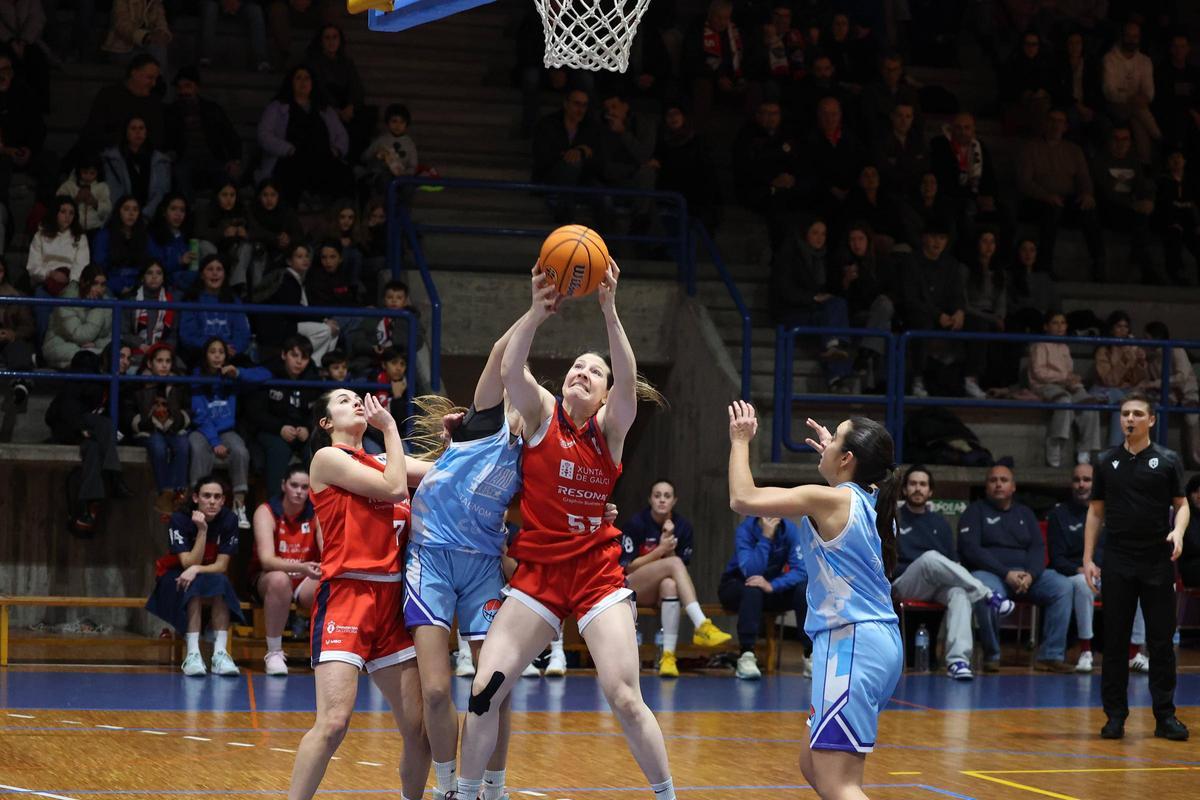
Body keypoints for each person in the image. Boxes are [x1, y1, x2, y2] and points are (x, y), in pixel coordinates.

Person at [454, 261, 678, 800]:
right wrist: (534, 314)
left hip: (597, 573)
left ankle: (668, 795)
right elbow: (510, 372)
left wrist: (609, 310)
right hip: (540, 574)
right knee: (485, 690)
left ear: (604, 396)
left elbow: (629, 379)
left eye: (593, 372)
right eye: (576, 366)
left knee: (624, 695)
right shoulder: (542, 413)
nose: (582, 372)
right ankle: (465, 793)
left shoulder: (611, 431)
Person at [727, 404, 902, 799]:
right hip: (874, 642)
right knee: (812, 764)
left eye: (834, 437)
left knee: (839, 783)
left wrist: (740, 440)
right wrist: (835, 460)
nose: (825, 439)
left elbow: (743, 498)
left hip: (851, 645)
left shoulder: (832, 501)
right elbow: (855, 484)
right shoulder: (873, 498)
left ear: (847, 459)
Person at [402, 317, 533, 799]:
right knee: (437, 690)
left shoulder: (532, 458)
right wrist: (537, 309)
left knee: (495, 686)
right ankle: (448, 786)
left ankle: (494, 789)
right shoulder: (481, 423)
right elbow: (501, 349)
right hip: (431, 560)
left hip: (481, 568)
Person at [286, 388, 429, 800]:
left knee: (418, 732)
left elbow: (443, 473)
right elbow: (395, 488)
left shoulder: (384, 460)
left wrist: (478, 439)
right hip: (347, 595)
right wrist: (389, 429)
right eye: (344, 399)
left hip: (391, 604)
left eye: (356, 397)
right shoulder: (328, 459)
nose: (356, 401)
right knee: (333, 723)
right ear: (326, 423)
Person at [1084, 392, 1189, 742]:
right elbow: (1096, 511)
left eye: (1138, 414)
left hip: (1157, 560)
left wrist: (1178, 530)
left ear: (1151, 420)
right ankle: (1115, 716)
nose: (1130, 419)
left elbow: (1182, 504)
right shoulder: (1106, 461)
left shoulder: (1168, 459)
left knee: (1160, 642)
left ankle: (1165, 716)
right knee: (1114, 641)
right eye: (1125, 413)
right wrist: (1088, 559)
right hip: (1118, 559)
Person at [891, 465, 1014, 680]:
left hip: (935, 585)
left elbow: (952, 561)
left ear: (930, 492)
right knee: (929, 557)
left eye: (923, 484)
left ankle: (958, 661)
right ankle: (987, 594)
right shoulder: (894, 519)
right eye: (912, 484)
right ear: (904, 490)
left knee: (959, 593)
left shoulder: (940, 523)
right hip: (904, 583)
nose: (917, 489)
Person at [958, 463, 1074, 673]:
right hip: (991, 574)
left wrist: (1031, 574)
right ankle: (992, 655)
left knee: (1063, 586)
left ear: (1013, 487)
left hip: (1026, 576)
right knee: (986, 591)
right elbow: (971, 550)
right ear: (986, 487)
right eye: (993, 480)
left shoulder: (1025, 513)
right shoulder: (974, 511)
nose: (998, 484)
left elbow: (1038, 548)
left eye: (1004, 480)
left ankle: (1050, 655)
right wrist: (1006, 573)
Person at [620, 479, 731, 677]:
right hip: (631, 587)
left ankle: (668, 658)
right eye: (657, 495)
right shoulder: (636, 523)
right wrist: (661, 550)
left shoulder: (682, 527)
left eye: (667, 496)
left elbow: (676, 570)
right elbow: (628, 567)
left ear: (674, 501)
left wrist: (669, 549)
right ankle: (701, 625)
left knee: (670, 585)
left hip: (659, 590)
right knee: (674, 564)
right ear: (650, 500)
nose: (662, 500)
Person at [1047, 462, 1148, 674]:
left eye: (1087, 480)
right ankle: (1086, 651)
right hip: (1075, 573)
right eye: (1077, 480)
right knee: (1085, 585)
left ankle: (1133, 653)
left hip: (1107, 572)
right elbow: (1057, 558)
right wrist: (1080, 569)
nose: (1081, 484)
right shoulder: (1059, 515)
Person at [145, 476, 244, 676]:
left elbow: (222, 565)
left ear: (224, 501)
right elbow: (187, 563)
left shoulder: (229, 520)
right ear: (196, 498)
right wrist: (202, 531)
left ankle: (220, 654)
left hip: (206, 574)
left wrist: (197, 570)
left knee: (221, 582)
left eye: (217, 497)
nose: (212, 501)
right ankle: (192, 654)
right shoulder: (179, 519)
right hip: (174, 575)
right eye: (207, 496)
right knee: (195, 586)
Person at [1016, 108, 1105, 281]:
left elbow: (1084, 177)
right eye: (1052, 120)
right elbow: (1024, 182)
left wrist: (1087, 194)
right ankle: (1045, 264)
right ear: (1045, 124)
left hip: (1067, 200)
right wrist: (1046, 195)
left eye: (1060, 122)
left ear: (1065, 127)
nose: (1055, 125)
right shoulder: (1030, 148)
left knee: (1089, 210)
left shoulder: (1074, 150)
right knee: (1051, 211)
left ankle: (1099, 263)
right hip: (1038, 201)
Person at [189, 337, 267, 529]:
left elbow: (265, 374)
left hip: (226, 431)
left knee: (241, 451)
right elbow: (200, 415)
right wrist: (215, 442)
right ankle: (197, 506)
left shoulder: (231, 376)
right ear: (205, 355)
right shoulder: (196, 376)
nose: (217, 356)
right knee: (198, 448)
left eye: (221, 352)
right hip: (202, 430)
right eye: (212, 352)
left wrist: (238, 372)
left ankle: (238, 505)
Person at [717, 515, 807, 680]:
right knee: (753, 588)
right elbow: (751, 572)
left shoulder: (790, 530)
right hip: (736, 584)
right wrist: (766, 537)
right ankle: (747, 655)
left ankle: (810, 654)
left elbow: (801, 571)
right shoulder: (746, 529)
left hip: (770, 585)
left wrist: (773, 585)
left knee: (803, 589)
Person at [251, 465, 321, 676]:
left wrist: (323, 568)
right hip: (269, 578)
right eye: (294, 485)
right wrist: (301, 567)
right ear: (283, 485)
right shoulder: (267, 511)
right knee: (280, 580)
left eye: (304, 487)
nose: (299, 491)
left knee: (330, 581)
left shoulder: (316, 512)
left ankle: (326, 650)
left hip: (305, 579)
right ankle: (273, 653)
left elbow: (327, 551)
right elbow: (267, 561)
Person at [255, 65, 353, 204]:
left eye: (307, 78)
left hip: (322, 157)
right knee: (290, 176)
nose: (303, 82)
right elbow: (264, 134)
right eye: (298, 78)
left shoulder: (324, 108)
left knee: (344, 175)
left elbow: (341, 135)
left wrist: (336, 150)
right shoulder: (277, 107)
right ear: (291, 82)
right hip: (290, 158)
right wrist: (288, 149)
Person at [897, 223, 967, 397]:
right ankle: (918, 378)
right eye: (934, 237)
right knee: (921, 323)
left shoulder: (951, 264)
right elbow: (910, 299)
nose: (937, 242)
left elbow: (957, 294)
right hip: (916, 315)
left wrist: (959, 311)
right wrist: (938, 315)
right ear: (924, 238)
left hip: (944, 315)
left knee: (977, 324)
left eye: (942, 238)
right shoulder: (911, 262)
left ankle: (969, 379)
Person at [246, 335, 321, 491]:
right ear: (283, 354)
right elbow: (256, 413)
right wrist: (280, 427)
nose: (299, 362)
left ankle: (317, 506)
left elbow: (317, 412)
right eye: (294, 355)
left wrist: (308, 428)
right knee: (279, 449)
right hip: (271, 430)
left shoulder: (314, 379)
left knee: (316, 449)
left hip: (302, 432)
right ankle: (275, 506)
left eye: (304, 357)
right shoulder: (268, 375)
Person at [1029, 310, 1101, 467]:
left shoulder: (1064, 347)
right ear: (1046, 326)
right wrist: (1064, 378)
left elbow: (1067, 372)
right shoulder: (1039, 345)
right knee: (1064, 401)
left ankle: (1084, 451)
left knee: (1090, 403)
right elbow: (1039, 373)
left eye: (1063, 323)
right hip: (1045, 386)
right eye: (1055, 323)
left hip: (1066, 385)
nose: (1060, 327)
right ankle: (1054, 448)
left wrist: (1073, 379)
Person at [129, 341, 191, 515]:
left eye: (168, 361)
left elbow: (187, 408)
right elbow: (129, 410)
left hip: (173, 428)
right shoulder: (138, 383)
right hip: (148, 429)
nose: (164, 365)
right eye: (159, 361)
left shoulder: (178, 383)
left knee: (183, 445)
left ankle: (179, 492)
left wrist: (174, 422)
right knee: (158, 447)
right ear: (150, 363)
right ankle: (166, 492)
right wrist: (148, 423)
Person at [164, 67, 244, 197]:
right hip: (184, 158)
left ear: (196, 87)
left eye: (188, 86)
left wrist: (235, 160)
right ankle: (188, 211)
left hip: (212, 157)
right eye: (180, 87)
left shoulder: (212, 109)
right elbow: (167, 140)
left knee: (225, 179)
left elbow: (230, 136)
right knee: (180, 175)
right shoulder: (172, 112)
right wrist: (170, 153)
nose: (184, 91)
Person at [1102, 21, 1160, 164]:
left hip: (1136, 107)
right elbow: (1109, 92)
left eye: (1135, 36)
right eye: (1128, 36)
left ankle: (1145, 163)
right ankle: (1158, 135)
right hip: (1115, 106)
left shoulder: (1145, 61)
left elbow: (1149, 93)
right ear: (1121, 36)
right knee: (1139, 111)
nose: (1131, 40)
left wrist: (1131, 96)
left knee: (1138, 122)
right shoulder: (1109, 59)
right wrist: (1131, 96)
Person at [179, 256, 252, 363]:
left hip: (230, 356)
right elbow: (188, 335)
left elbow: (243, 333)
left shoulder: (234, 300)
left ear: (224, 275)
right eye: (210, 269)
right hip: (201, 356)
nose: (215, 273)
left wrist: (230, 350)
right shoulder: (192, 300)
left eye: (219, 269)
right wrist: (215, 350)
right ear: (202, 275)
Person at [1092, 310, 1150, 447]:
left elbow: (1137, 380)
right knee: (1123, 406)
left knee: (1148, 406)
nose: (1123, 330)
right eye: (1119, 326)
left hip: (1127, 391)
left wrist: (1141, 363)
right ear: (1112, 329)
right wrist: (1124, 361)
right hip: (1107, 390)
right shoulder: (1103, 350)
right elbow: (1109, 381)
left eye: (1125, 327)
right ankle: (1115, 450)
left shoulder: (1132, 348)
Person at [101, 115, 172, 219]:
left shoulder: (160, 161)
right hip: (123, 217)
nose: (138, 132)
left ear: (146, 132)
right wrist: (131, 214)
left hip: (152, 217)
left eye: (141, 128)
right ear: (126, 132)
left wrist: (145, 214)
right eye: (133, 128)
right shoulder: (113, 160)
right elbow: (115, 192)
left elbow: (161, 192)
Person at [43, 264, 112, 370]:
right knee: (86, 360)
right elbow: (80, 336)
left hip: (93, 349)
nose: (99, 289)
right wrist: (97, 308)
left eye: (102, 285)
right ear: (83, 282)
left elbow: (112, 337)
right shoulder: (66, 301)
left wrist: (96, 344)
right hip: (61, 345)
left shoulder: (108, 303)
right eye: (94, 284)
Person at [93, 195, 151, 297]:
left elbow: (150, 265)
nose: (131, 213)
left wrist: (137, 285)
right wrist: (116, 285)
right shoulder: (104, 235)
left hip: (138, 286)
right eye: (126, 209)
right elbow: (99, 267)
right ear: (118, 211)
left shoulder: (145, 236)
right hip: (109, 284)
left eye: (135, 210)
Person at [362, 103, 418, 198]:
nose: (398, 125)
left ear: (406, 124)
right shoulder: (381, 140)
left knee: (409, 188)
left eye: (402, 122)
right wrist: (377, 155)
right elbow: (365, 157)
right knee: (384, 181)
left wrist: (403, 173)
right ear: (388, 122)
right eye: (394, 121)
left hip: (402, 177)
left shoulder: (409, 143)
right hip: (382, 177)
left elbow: (413, 166)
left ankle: (400, 209)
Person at [198, 0, 270, 71]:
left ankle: (261, 61)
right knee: (210, 7)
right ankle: (205, 58)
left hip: (241, 4)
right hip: (216, 3)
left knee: (255, 10)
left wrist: (239, 2)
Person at [101, 0, 172, 71]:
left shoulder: (155, 2)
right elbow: (121, 24)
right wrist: (145, 37)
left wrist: (162, 33)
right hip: (121, 49)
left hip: (147, 48)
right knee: (150, 57)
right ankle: (158, 79)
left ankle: (159, 79)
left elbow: (161, 22)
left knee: (158, 47)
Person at [147, 193, 197, 291]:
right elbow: (154, 268)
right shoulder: (153, 237)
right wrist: (179, 261)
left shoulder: (186, 238)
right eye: (173, 209)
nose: (178, 214)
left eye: (182, 210)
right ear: (164, 212)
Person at [56, 153, 112, 234]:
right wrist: (76, 200)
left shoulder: (102, 187)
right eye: (85, 172)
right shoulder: (69, 186)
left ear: (98, 172)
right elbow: (57, 204)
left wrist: (95, 203)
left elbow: (108, 209)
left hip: (94, 230)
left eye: (92, 173)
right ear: (79, 171)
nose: (88, 176)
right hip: (70, 228)